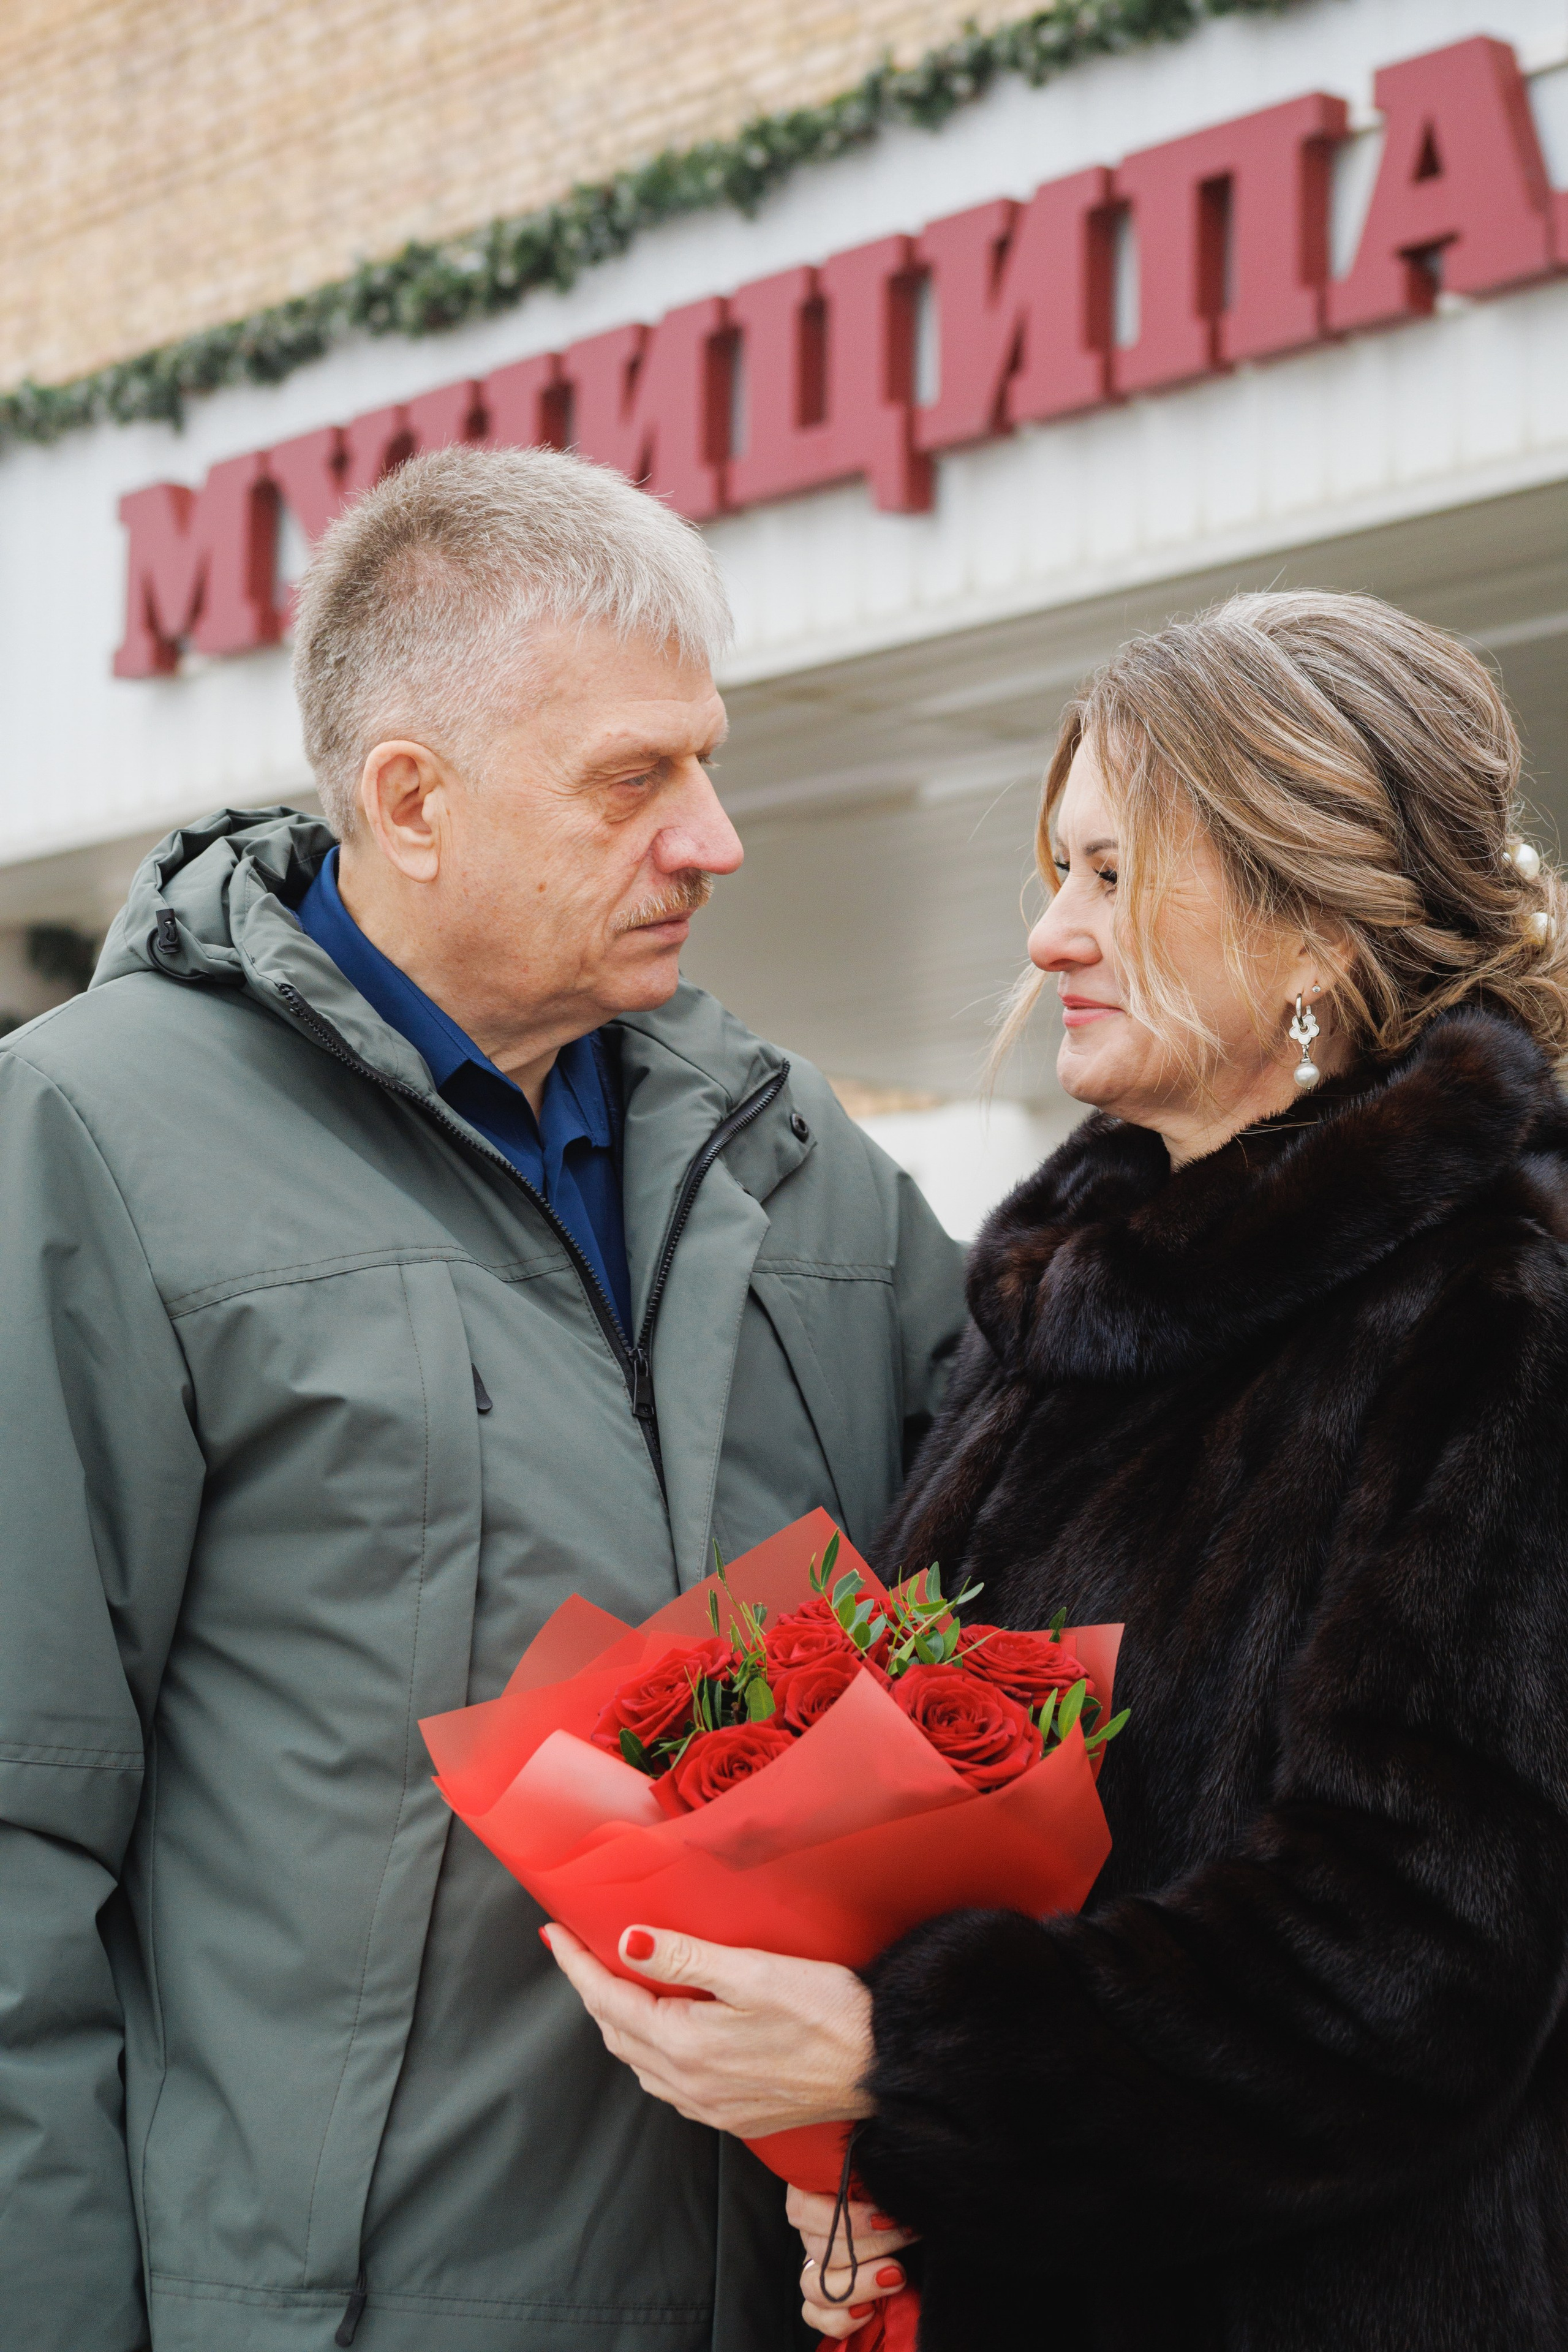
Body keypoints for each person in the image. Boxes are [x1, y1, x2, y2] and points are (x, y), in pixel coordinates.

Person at [0, 444, 965, 2352]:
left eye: (705, 760)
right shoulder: (88, 1134)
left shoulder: (795, 1154)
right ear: (411, 801)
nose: (713, 835)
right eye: (634, 779)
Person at [544, 590, 1568, 2352]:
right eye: (1057, 872)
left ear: (1315, 928)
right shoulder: (1076, 1310)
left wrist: (907, 2061)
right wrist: (886, 2178)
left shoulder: (1493, 1308)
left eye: (1109, 875)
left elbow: (1414, 1959)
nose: (1045, 938)